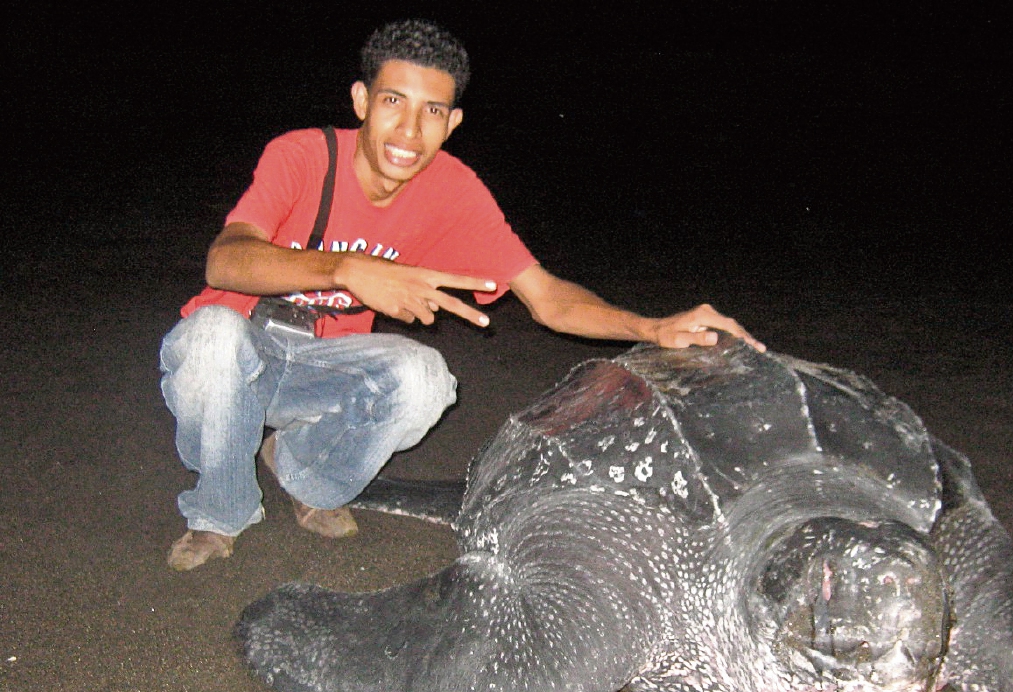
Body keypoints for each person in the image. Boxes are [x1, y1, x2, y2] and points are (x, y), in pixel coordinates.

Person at [160, 19, 762, 571]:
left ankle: (302, 477)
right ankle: (220, 512)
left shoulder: (454, 191)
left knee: (425, 379)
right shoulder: (302, 156)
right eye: (393, 103)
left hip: (322, 365)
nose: (409, 130)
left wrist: (652, 328)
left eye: (432, 111)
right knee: (212, 335)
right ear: (362, 102)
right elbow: (226, 259)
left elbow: (547, 297)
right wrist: (348, 269)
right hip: (239, 352)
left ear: (451, 124)